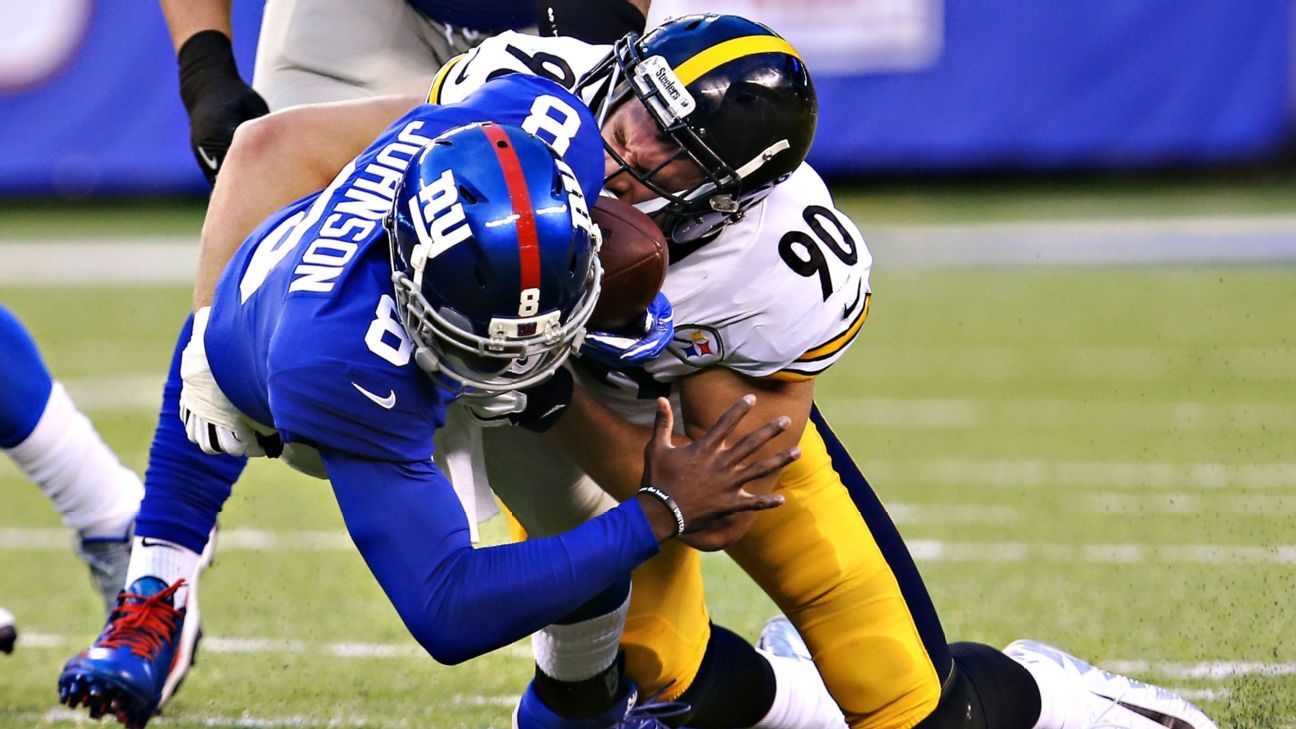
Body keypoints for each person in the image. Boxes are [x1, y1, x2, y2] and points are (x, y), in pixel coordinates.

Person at [125, 14, 1220, 729]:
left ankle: (1073, 706)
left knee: (907, 703)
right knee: (669, 672)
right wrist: (211, 360)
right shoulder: (533, 93)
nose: (626, 149)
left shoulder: (774, 260)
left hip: (664, 419)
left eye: (667, 155)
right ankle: (777, 690)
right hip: (547, 406)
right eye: (637, 110)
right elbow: (278, 154)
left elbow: (727, 483)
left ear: (728, 197)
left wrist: (586, 418)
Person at [57, 72, 797, 729]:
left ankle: (580, 708)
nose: (517, 360)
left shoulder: (546, 121)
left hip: (425, 307)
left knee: (585, 547)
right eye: (490, 347)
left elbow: (486, 158)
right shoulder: (343, 363)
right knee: (595, 540)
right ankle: (159, 579)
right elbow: (447, 608)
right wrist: (659, 511)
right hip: (309, 372)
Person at [159, 0, 650, 184]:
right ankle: (209, 397)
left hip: (562, 15)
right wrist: (205, 74)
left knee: (585, 200)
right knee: (278, 193)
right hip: (366, 16)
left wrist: (590, 57)